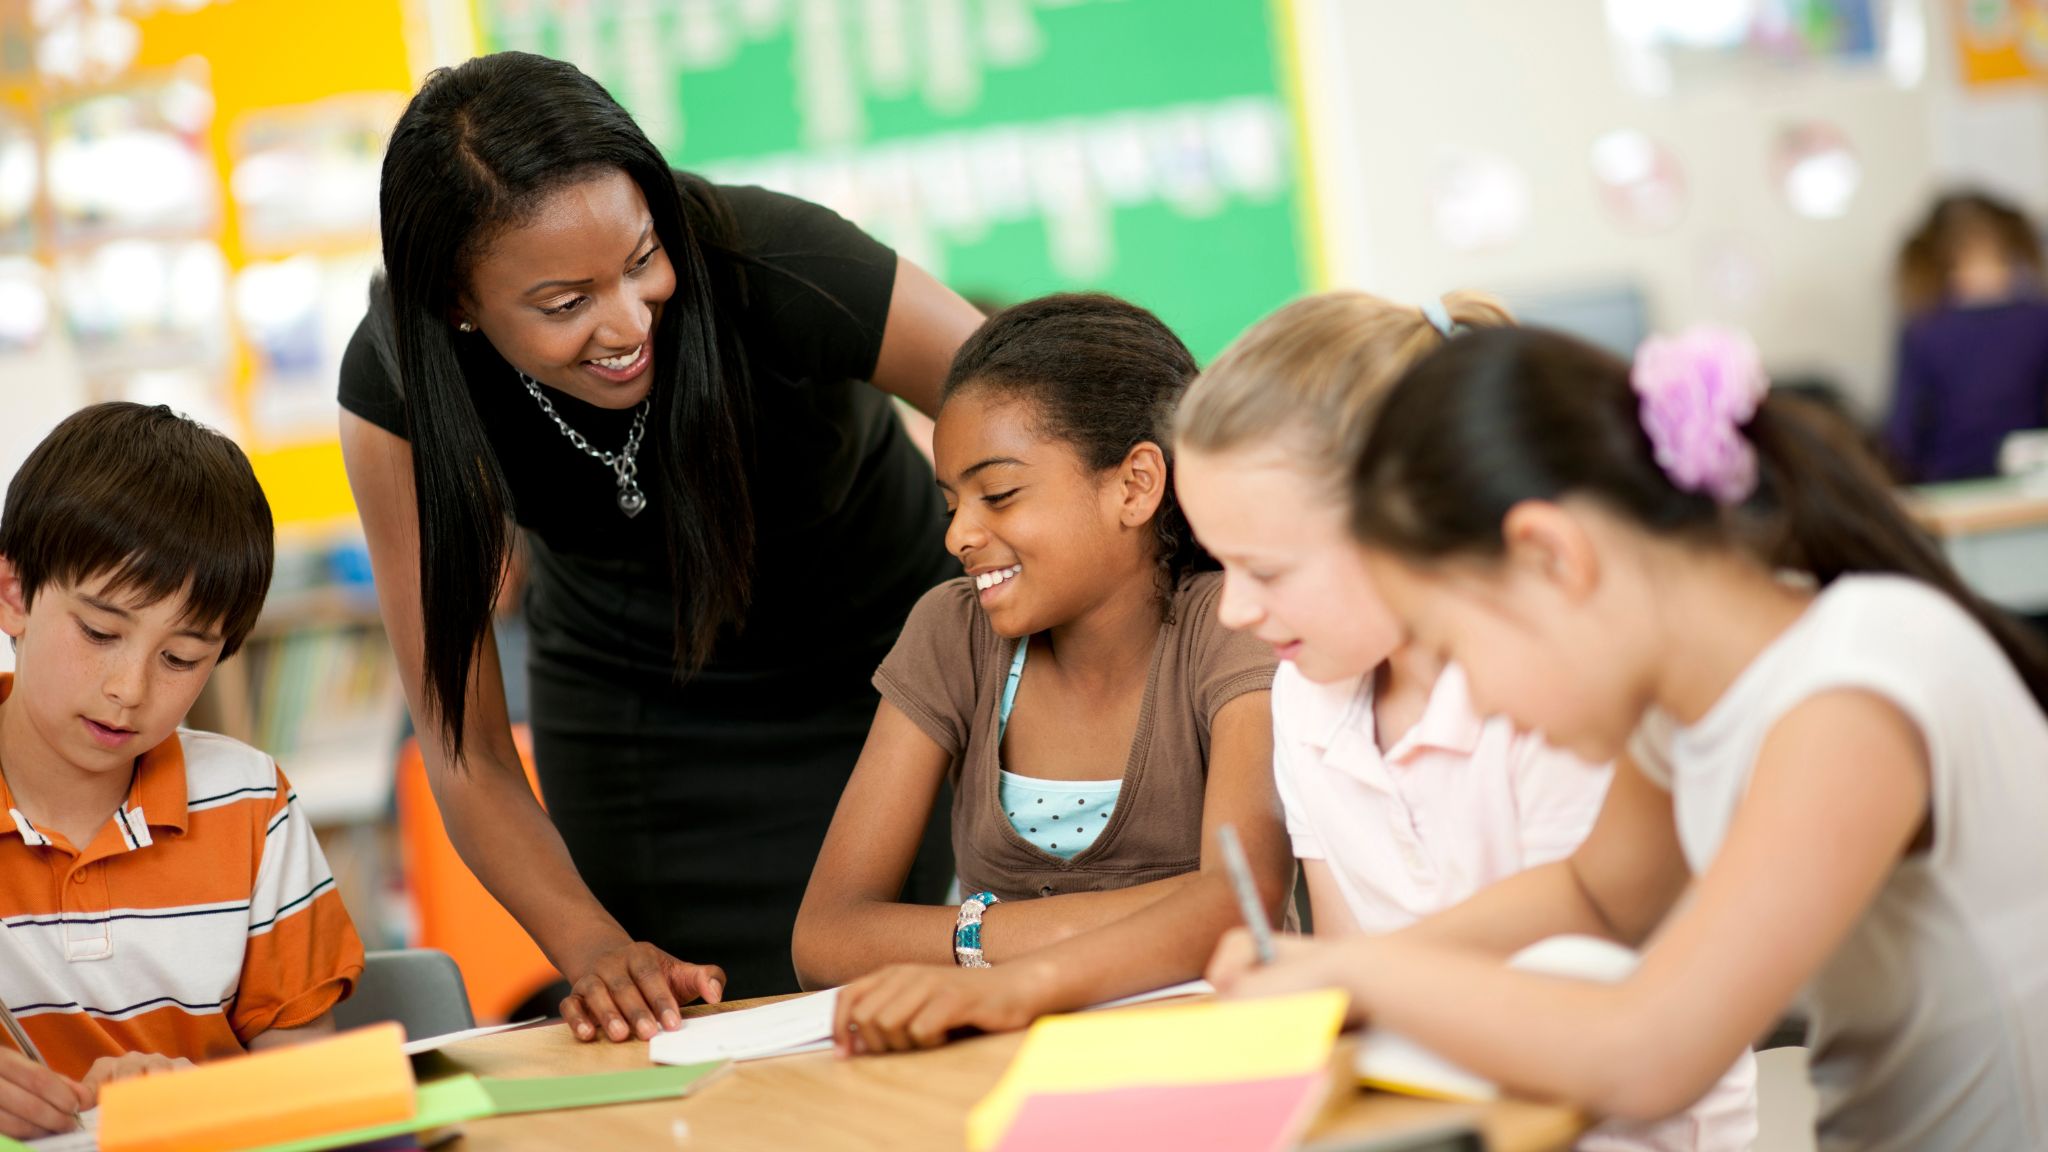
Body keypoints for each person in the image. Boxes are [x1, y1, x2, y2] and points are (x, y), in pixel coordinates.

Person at [1210, 325, 2048, 1150]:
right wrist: (1317, 978)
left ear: (1551, 557)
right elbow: (1596, 896)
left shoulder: (1852, 694)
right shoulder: (1685, 709)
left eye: (1452, 644)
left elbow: (1653, 1054)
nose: (1479, 698)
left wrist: (1365, 973)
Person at [337, 52, 986, 1033]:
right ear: (459, 304)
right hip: (631, 697)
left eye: (641, 260)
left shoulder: (772, 260)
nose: (628, 321)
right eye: (565, 304)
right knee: (691, 1031)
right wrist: (590, 948)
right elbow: (462, 747)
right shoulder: (401, 390)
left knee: (865, 1011)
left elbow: (1040, 415)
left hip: (885, 664)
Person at [1172, 292, 1756, 1151]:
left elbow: (1614, 985)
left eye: (1265, 568)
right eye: (1219, 566)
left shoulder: (1585, 695)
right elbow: (1365, 973)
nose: (1230, 610)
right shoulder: (1306, 694)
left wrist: (1353, 980)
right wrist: (1337, 985)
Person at [790, 294, 1287, 1053]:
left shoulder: (1232, 626)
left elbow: (1237, 904)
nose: (960, 533)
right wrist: (1164, 913)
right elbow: (826, 938)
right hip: (999, 1062)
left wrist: (989, 958)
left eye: (1000, 494)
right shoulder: (950, 633)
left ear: (1134, 485)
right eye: (952, 501)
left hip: (1214, 1054)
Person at [0, 404, 363, 1139]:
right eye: (100, 632)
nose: (129, 688)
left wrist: (191, 1096)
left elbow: (308, 1088)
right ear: (14, 596)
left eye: (180, 659)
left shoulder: (252, 807)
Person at [1885, 191, 2048, 482]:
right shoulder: (2038, 320)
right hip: (2028, 484)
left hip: (1949, 488)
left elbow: (1902, 437)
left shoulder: (1924, 329)